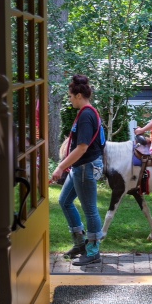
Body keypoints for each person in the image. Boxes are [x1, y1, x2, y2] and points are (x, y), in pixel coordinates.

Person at [50, 74, 105, 266]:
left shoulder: (86, 115)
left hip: (85, 167)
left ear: (79, 95)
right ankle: (80, 244)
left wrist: (60, 166)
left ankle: (93, 251)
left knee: (90, 210)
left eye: (70, 96)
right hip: (79, 167)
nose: (70, 99)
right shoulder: (85, 113)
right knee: (64, 201)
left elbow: (82, 148)